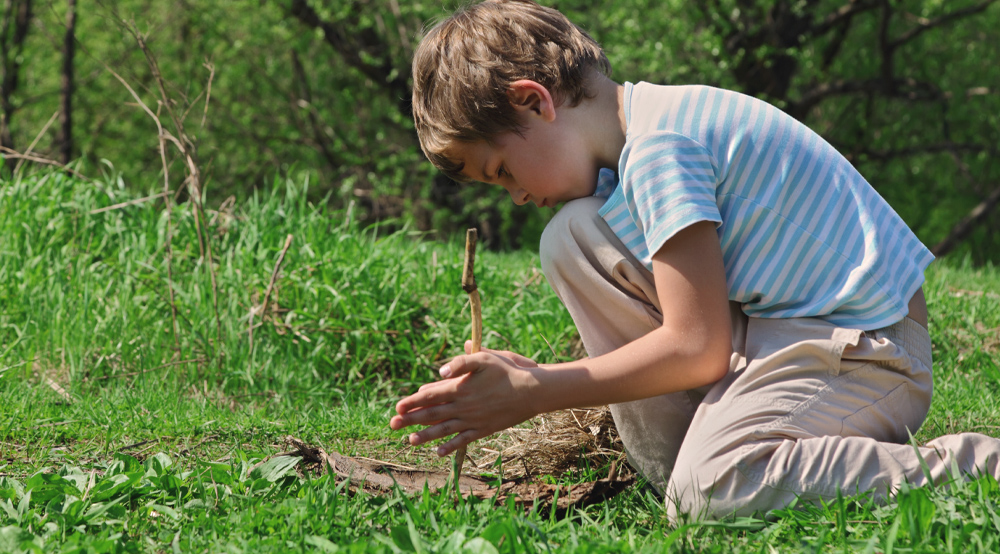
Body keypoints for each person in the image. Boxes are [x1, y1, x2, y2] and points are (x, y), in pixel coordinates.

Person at [389, 0, 1000, 520]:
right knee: (572, 237)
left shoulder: (661, 150)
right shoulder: (638, 142)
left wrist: (538, 390)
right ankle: (700, 456)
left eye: (501, 171)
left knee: (710, 491)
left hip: (868, 349)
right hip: (784, 334)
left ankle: (973, 467)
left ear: (533, 101)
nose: (517, 196)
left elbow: (697, 347)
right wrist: (536, 377)